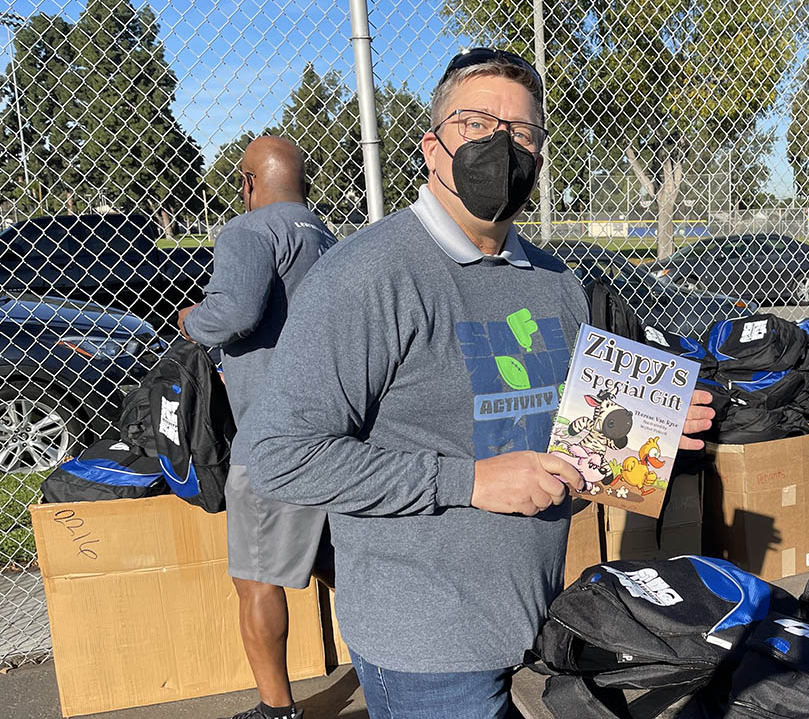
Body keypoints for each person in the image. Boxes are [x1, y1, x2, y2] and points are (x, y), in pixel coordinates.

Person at [244, 48, 714, 719]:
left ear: (540, 160)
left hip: (537, 618)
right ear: (432, 149)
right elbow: (279, 456)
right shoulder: (368, 276)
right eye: (475, 122)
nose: (502, 143)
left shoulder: (557, 283)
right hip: (426, 645)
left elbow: (552, 435)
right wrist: (469, 481)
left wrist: (647, 430)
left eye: (522, 132)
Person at [178, 135, 338, 719]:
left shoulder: (249, 232)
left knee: (256, 578)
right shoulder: (326, 236)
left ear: (248, 182)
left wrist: (194, 320)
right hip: (335, 429)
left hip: (272, 439)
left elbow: (236, 312)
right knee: (336, 558)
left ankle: (276, 710)